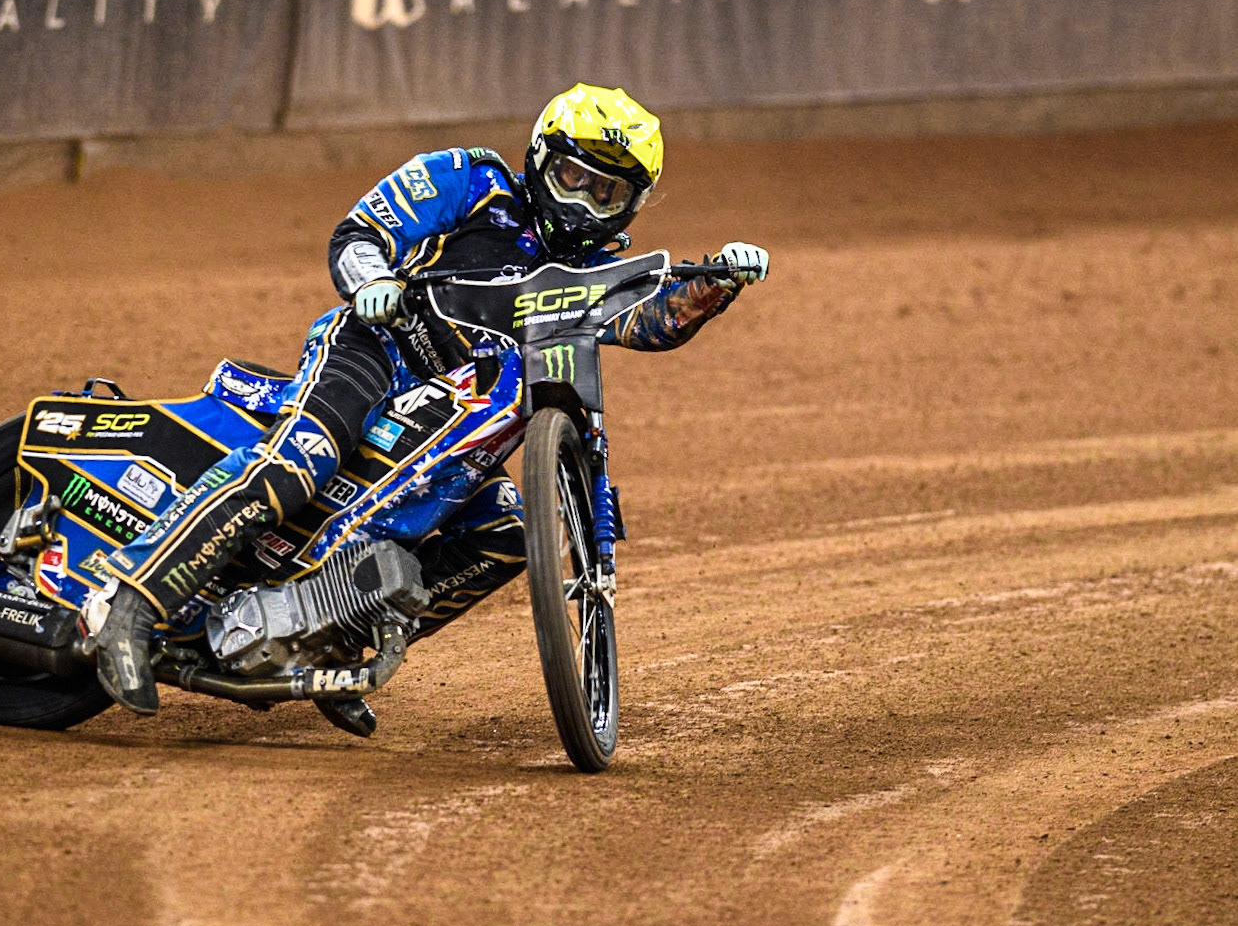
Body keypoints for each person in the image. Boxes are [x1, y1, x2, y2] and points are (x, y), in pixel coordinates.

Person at [90, 83, 769, 714]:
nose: (583, 201)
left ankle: (332, 640)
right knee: (304, 456)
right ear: (539, 158)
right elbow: (358, 233)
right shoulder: (472, 179)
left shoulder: (593, 272)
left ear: (632, 205)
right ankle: (130, 603)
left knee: (507, 534)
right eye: (572, 177)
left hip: (458, 417)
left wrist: (718, 284)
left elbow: (649, 319)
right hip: (377, 351)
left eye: (607, 192)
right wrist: (372, 283)